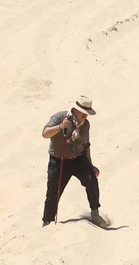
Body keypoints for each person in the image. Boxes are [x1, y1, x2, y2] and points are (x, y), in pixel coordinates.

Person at [41, 96, 103, 227]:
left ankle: (95, 213)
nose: (85, 116)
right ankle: (47, 221)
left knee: (91, 181)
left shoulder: (85, 125)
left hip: (79, 159)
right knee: (53, 191)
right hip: (58, 161)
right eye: (83, 113)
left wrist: (90, 165)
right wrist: (59, 127)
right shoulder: (59, 117)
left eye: (87, 114)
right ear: (75, 109)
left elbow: (86, 145)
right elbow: (45, 133)